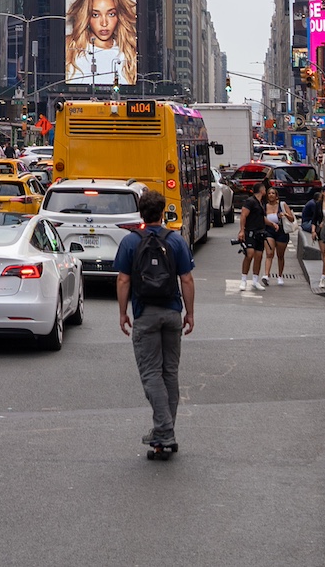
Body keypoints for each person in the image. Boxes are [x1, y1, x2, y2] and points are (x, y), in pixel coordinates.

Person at [114, 190, 194, 459]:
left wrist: (123, 313)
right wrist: (189, 313)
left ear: (140, 214)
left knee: (150, 374)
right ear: (163, 213)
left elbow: (123, 280)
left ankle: (163, 430)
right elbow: (187, 279)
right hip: (172, 313)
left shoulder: (130, 242)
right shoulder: (176, 241)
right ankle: (164, 433)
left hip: (145, 313)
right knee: (169, 373)